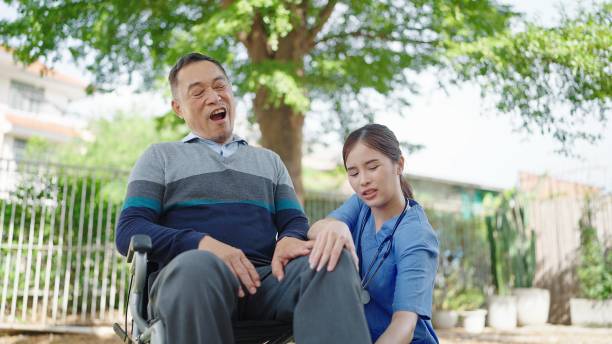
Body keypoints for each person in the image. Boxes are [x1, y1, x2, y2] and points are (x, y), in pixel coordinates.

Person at [115, 52, 371, 344]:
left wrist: (290, 237)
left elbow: (294, 220)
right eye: (197, 92)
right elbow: (129, 231)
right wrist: (204, 245)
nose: (213, 97)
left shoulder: (269, 162)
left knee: (331, 261)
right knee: (197, 267)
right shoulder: (160, 157)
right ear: (178, 108)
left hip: (262, 279)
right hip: (190, 278)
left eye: (219, 86)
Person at [308, 124, 440, 343]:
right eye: (354, 172)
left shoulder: (417, 236)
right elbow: (315, 230)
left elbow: (404, 325)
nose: (363, 180)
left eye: (372, 167)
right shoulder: (361, 205)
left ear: (399, 165)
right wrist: (335, 226)